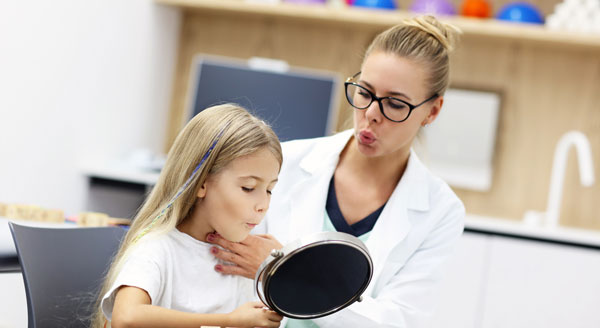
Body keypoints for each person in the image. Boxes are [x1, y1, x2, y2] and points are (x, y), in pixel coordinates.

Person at [207, 15, 465, 328]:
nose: (370, 115)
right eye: (365, 93)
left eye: (395, 104)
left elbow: (396, 322)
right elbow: (223, 270)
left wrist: (282, 266)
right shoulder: (283, 162)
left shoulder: (440, 211)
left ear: (432, 111)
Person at [93, 103, 284, 328]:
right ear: (201, 184)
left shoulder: (238, 256)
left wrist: (284, 271)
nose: (263, 204)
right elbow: (126, 318)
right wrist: (228, 322)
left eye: (269, 189)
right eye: (248, 188)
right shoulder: (158, 247)